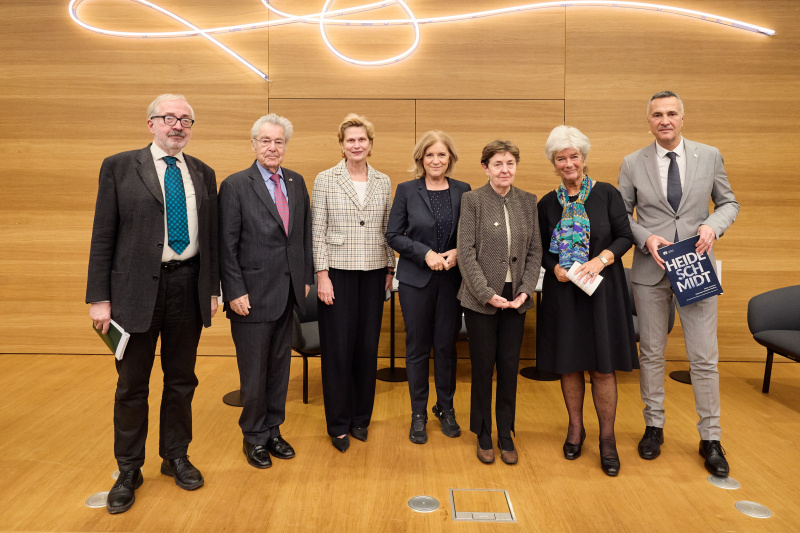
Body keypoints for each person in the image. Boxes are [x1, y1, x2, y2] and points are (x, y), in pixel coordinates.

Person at [86, 94, 219, 514]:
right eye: (169, 118)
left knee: (182, 380)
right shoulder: (120, 166)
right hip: (134, 294)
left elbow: (210, 240)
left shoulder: (203, 172)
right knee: (131, 386)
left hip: (188, 286)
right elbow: (103, 235)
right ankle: (128, 468)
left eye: (186, 120)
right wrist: (99, 298)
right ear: (151, 124)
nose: (177, 125)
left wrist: (212, 288)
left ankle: (175, 455)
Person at [618, 90, 739, 477]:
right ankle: (654, 427)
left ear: (682, 118)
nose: (664, 120)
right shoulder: (632, 163)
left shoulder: (710, 155)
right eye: (657, 114)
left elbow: (729, 203)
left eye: (671, 113)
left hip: (695, 270)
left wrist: (711, 226)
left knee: (704, 357)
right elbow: (621, 217)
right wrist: (645, 237)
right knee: (651, 353)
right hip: (650, 271)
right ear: (649, 121)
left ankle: (711, 438)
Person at [536, 125, 638, 477]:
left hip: (601, 294)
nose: (568, 163)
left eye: (574, 156)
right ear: (554, 162)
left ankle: (607, 439)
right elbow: (540, 250)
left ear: (584, 158)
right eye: (561, 158)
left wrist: (602, 260)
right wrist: (555, 269)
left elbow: (625, 236)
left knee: (602, 367)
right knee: (569, 364)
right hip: (564, 294)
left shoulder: (607, 194)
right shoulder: (547, 204)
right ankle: (575, 430)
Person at [219, 114, 313, 469]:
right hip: (251, 297)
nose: (272, 147)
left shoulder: (296, 180)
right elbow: (226, 245)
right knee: (254, 374)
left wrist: (303, 277)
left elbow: (301, 234)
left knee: (279, 368)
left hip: (288, 293)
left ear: (285, 146)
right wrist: (234, 290)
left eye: (279, 142)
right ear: (254, 144)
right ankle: (254, 437)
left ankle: (274, 430)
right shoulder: (235, 185)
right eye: (266, 141)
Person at [312, 113, 395, 453]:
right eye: (350, 140)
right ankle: (338, 424)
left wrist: (390, 270)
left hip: (375, 274)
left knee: (366, 349)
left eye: (362, 140)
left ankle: (361, 418)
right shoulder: (325, 179)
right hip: (337, 274)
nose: (357, 145)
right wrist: (322, 276)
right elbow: (316, 230)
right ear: (342, 145)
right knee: (337, 352)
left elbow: (389, 230)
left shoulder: (384, 181)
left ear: (370, 145)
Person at [457, 140, 542, 465]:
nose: (504, 169)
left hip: (516, 299)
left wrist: (525, 290)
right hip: (481, 301)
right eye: (497, 164)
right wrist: (485, 292)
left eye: (509, 163)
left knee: (508, 367)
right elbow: (465, 252)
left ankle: (505, 432)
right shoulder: (473, 200)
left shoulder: (527, 201)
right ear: (485, 168)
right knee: (482, 367)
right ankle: (482, 431)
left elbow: (534, 251)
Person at [386, 131, 471, 444]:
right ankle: (418, 413)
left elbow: (470, 233)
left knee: (447, 347)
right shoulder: (407, 190)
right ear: (421, 158)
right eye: (430, 155)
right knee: (418, 348)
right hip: (415, 281)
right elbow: (394, 235)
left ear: (450, 159)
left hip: (451, 281)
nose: (436, 160)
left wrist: (459, 251)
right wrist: (426, 253)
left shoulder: (464, 190)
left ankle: (445, 408)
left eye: (442, 155)